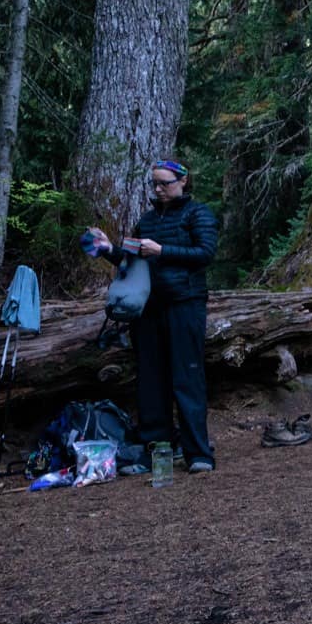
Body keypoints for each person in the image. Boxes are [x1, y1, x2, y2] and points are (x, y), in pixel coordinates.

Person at [86, 159, 219, 472]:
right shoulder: (146, 220)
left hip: (186, 303)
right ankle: (156, 450)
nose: (158, 189)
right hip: (147, 308)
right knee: (151, 380)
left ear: (183, 181)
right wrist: (107, 249)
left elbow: (205, 254)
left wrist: (162, 251)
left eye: (165, 183)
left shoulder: (198, 214)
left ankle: (198, 453)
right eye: (154, 184)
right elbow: (130, 261)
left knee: (187, 377)